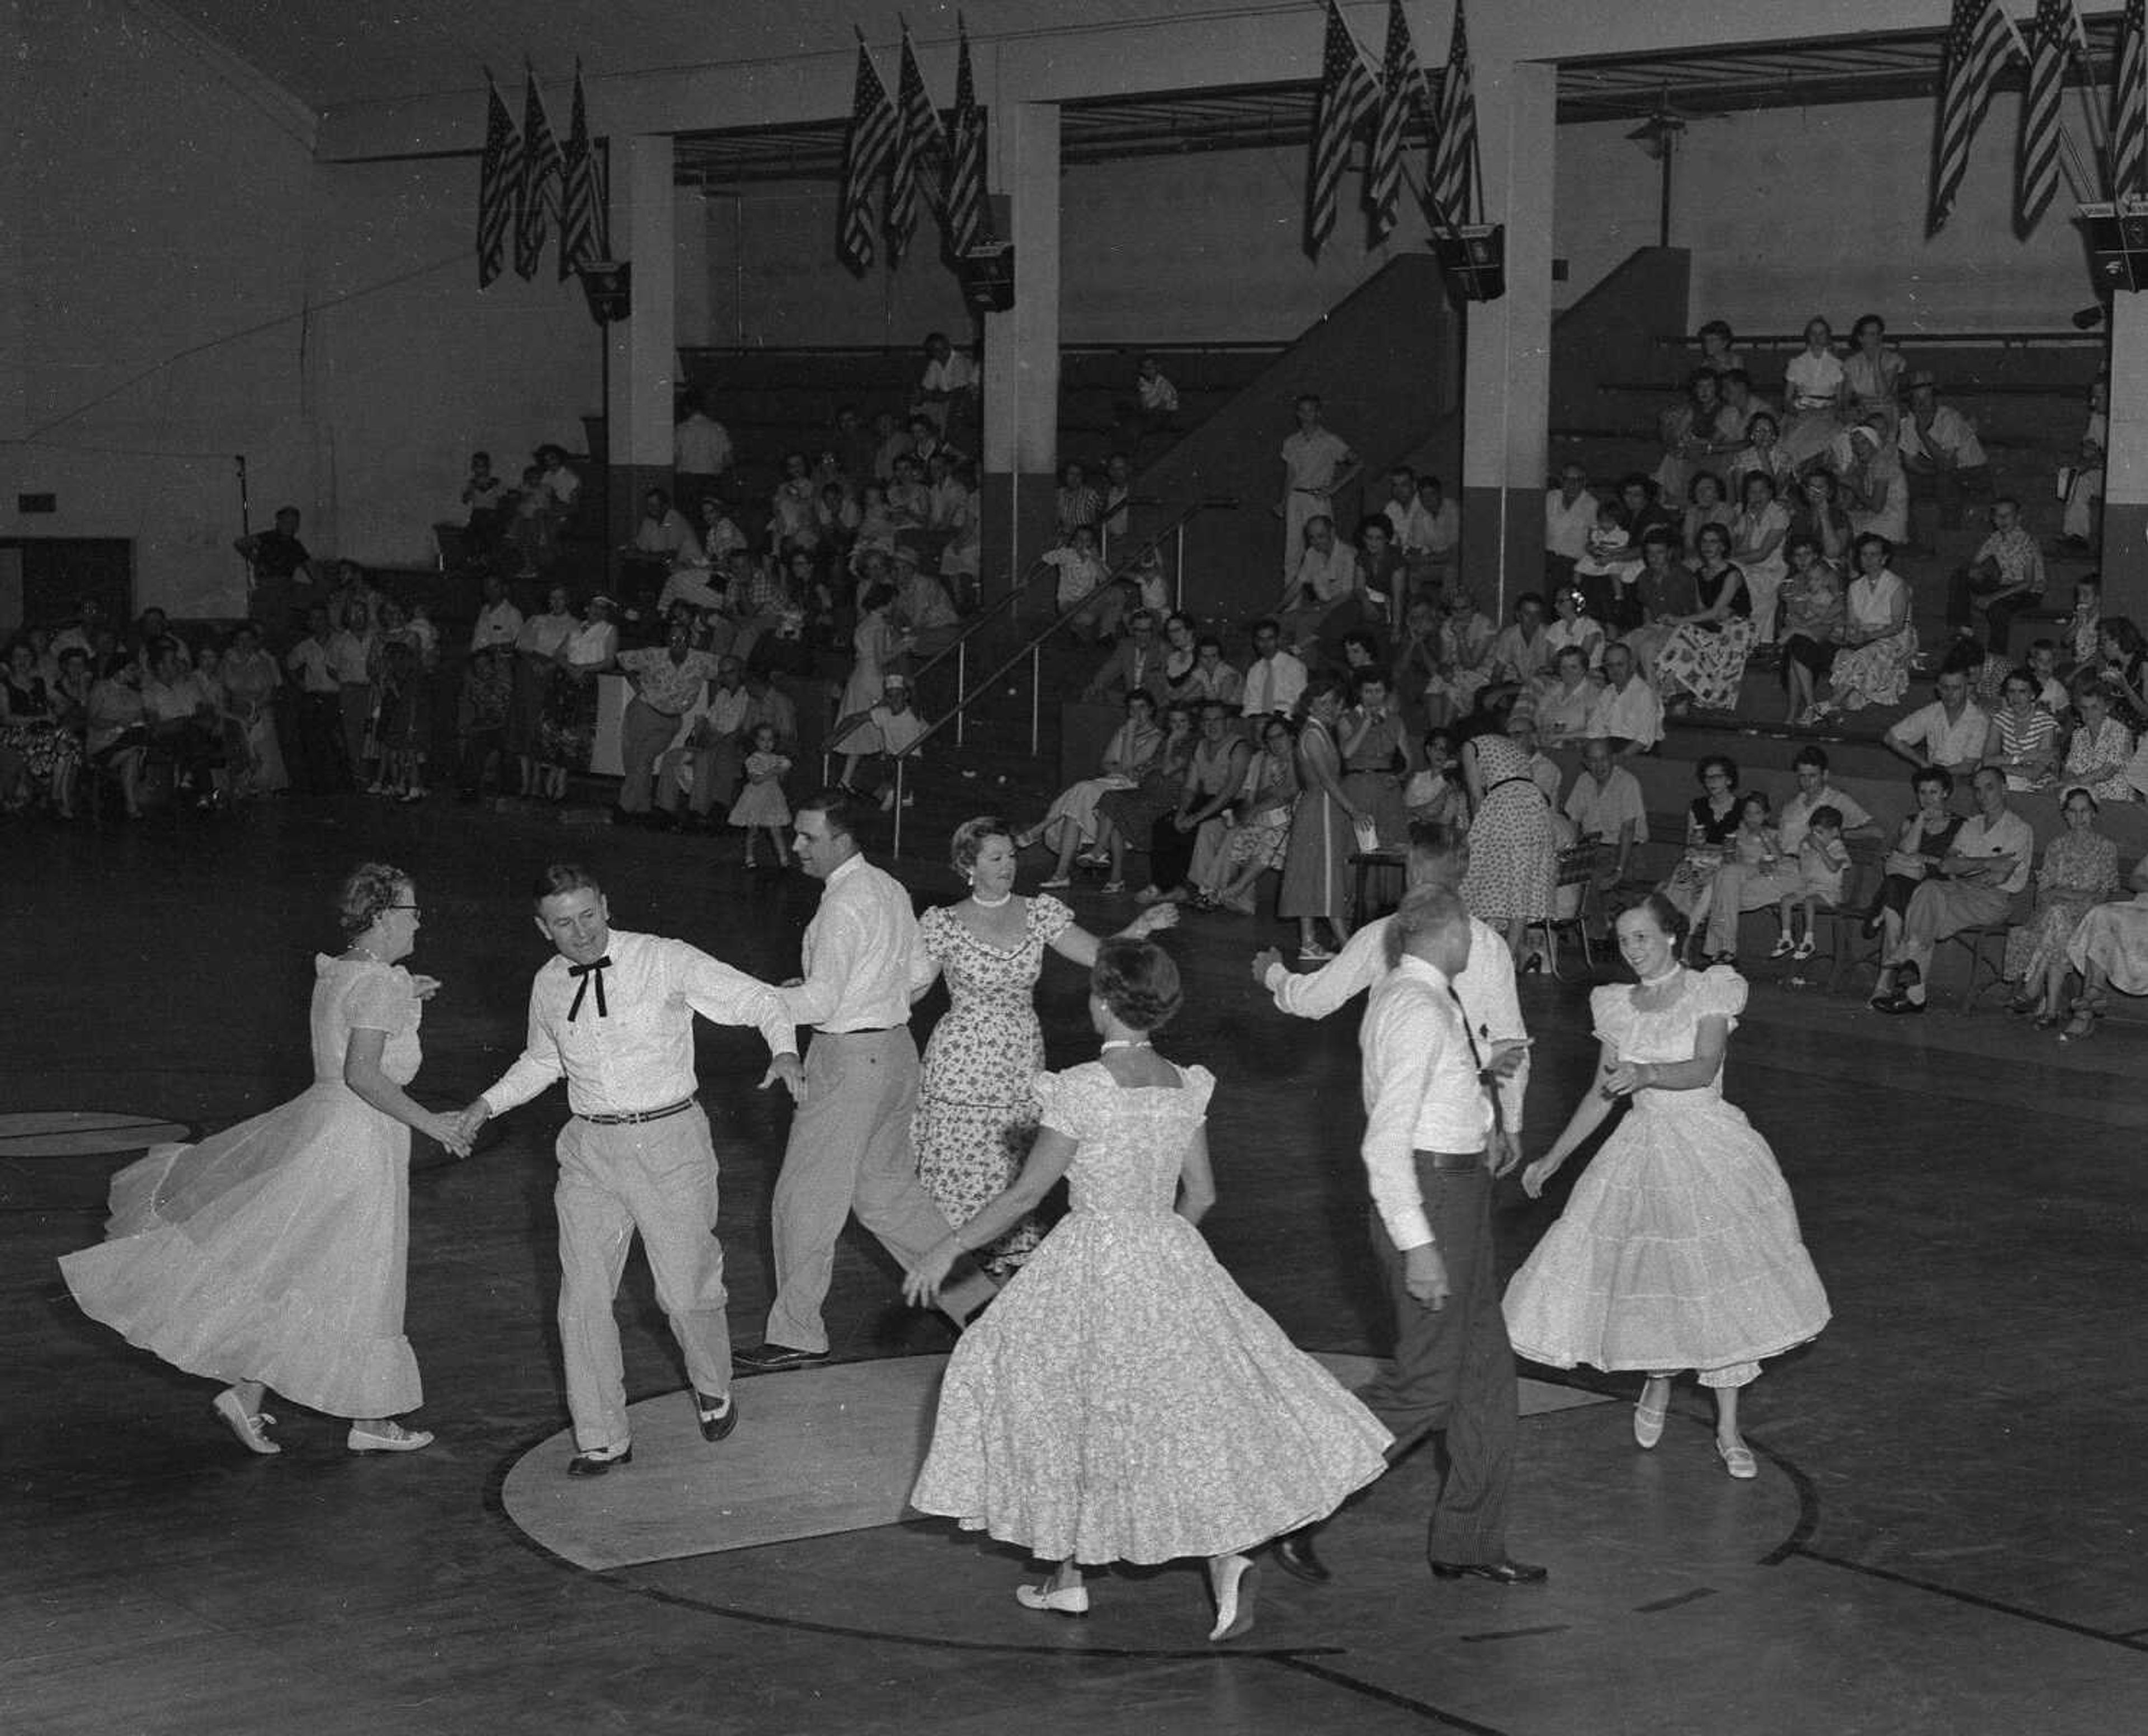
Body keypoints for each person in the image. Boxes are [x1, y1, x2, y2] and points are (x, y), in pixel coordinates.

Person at [906, 939, 1389, 1640]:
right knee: (1174, 1410)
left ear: (1101, 1001)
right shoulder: (1182, 1085)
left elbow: (1025, 1196)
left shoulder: (1080, 1088)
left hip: (1093, 1252)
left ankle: (1072, 1572)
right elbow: (1204, 1192)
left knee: (1042, 1388)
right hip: (1166, 1249)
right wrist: (1164, 1252)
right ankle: (1184, 1561)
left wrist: (943, 1250)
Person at [62, 864, 466, 1456]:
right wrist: (433, 1122)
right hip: (360, 1140)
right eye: (411, 910)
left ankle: (255, 1396)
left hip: (328, 1128)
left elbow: (352, 1031)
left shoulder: (345, 970)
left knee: (304, 1266)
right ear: (382, 918)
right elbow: (363, 1073)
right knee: (361, 1272)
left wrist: (406, 991)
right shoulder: (380, 983)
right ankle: (370, 1419)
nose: (419, 920)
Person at [455, 864, 800, 1474]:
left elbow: (760, 999)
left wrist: (785, 1050)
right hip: (589, 1148)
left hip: (669, 1141)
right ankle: (601, 1433)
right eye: (564, 923)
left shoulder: (662, 958)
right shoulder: (548, 984)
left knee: (683, 1291)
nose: (581, 932)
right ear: (543, 928)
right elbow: (542, 1059)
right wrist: (487, 1102)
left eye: (589, 915)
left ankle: (713, 1383)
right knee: (581, 1299)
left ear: (606, 905)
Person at [1270, 886, 1543, 1588]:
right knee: (1427, 1385)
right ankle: (1287, 1498)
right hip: (1430, 1201)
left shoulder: (1421, 999)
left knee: (1485, 1375)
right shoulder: (1418, 1009)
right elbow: (1385, 1143)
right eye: (1467, 932)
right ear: (1445, 935)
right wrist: (1419, 1243)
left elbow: (1426, 1097)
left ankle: (1470, 1540)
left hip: (1458, 1189)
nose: (1475, 943)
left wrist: (1483, 1100)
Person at [1508, 897, 1831, 1480]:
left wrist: (1650, 1073)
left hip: (1708, 1147)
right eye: (1625, 939)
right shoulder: (1616, 1006)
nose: (1634, 950)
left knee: (1718, 1284)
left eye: (1643, 937)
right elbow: (1602, 1093)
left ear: (1672, 936)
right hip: (1643, 1149)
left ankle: (1728, 1426)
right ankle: (1658, 1378)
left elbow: (1704, 1066)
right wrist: (1553, 1158)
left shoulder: (1712, 990)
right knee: (1657, 1276)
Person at [734, 793, 1001, 1371]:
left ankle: (797, 1333)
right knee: (887, 1197)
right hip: (895, 1053)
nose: (799, 846)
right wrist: (854, 998)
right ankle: (984, 1310)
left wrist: (754, 1000)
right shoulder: (886, 887)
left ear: (842, 840)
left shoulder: (841, 906)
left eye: (809, 837)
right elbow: (914, 978)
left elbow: (823, 999)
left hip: (849, 1061)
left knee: (803, 1199)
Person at [912, 819, 1175, 1275]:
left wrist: (1143, 925)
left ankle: (1000, 1265)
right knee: (959, 1166)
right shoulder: (943, 923)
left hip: (1019, 1059)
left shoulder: (1039, 913)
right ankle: (950, 1265)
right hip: (959, 1064)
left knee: (1012, 1166)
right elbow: (910, 992)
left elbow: (1101, 956)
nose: (1008, 866)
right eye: (995, 858)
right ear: (967, 866)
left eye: (1012, 856)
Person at [1872, 767, 2036, 1014]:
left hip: (1991, 902)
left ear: (2004, 788)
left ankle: (1909, 979)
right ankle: (1912, 984)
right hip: (1957, 890)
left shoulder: (2019, 829)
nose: (1983, 796)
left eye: (1989, 788)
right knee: (1928, 891)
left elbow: (1999, 877)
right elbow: (1948, 865)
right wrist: (1988, 862)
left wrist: (1970, 866)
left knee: (1925, 910)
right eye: (1977, 790)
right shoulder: (1971, 825)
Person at [2001, 788, 2118, 1023]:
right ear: (2065, 815)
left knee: (2058, 918)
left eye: (2085, 811)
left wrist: (2062, 893)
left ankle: (2037, 991)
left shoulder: (2106, 848)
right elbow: (2043, 894)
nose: (2079, 817)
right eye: (2073, 812)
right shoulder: (2057, 847)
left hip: (2087, 920)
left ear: (2094, 814)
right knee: (2057, 919)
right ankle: (2050, 1009)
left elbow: (2100, 897)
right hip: (2051, 917)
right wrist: (2074, 895)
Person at [1030, 689, 1161, 885]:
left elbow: (1126, 766)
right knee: (1074, 813)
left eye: (1142, 707)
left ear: (1151, 710)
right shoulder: (1122, 731)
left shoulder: (1156, 736)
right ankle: (1061, 875)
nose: (1136, 713)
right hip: (1110, 782)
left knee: (1082, 789)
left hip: (1133, 789)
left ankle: (1043, 826)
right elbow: (1107, 763)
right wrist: (1124, 760)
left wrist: (1130, 735)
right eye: (1132, 708)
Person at [1458, 700, 1556, 953]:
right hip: (1534, 806)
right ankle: (1511, 954)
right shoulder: (1512, 746)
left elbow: (1475, 794)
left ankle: (1484, 952)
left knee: (1480, 874)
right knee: (1521, 882)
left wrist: (1476, 830)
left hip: (1506, 805)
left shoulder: (1473, 745)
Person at [1277, 672, 1359, 960]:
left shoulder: (1321, 731)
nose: (1327, 708)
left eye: (1331, 703)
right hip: (1321, 807)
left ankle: (1309, 942)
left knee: (1313, 871)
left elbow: (1343, 758)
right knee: (1325, 873)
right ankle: (1343, 941)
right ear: (1309, 706)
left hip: (1322, 807)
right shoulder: (1312, 734)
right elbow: (1327, 781)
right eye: (1321, 703)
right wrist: (1354, 810)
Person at [1197, 715, 1301, 914]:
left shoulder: (1299, 758)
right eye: (1270, 739)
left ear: (1292, 737)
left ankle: (1235, 889)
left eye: (1280, 736)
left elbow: (1289, 792)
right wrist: (1267, 789)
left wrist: (1261, 805)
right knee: (1237, 832)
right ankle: (1215, 890)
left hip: (1295, 818)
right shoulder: (1270, 760)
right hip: (1271, 816)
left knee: (1272, 837)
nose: (1275, 743)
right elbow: (1262, 794)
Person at [1652, 523, 1752, 715]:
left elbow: (1717, 611)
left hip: (1737, 628)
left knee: (1684, 631)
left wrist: (1679, 620)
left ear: (1723, 546)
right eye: (1704, 541)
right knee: (1684, 633)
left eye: (1714, 541)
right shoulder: (1700, 573)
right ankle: (1680, 694)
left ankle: (1691, 696)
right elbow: (1702, 609)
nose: (1708, 546)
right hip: (1714, 623)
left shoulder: (1733, 574)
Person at [2056, 855, 2148, 1038]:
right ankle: (2093, 994)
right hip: (2142, 911)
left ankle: (2088, 1005)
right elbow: (2135, 880)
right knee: (2101, 914)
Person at [1824, 534, 1917, 715]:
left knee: (1865, 656)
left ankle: (1828, 706)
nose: (1869, 560)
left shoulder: (1897, 585)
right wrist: (1852, 635)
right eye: (1865, 555)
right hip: (1864, 636)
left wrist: (1868, 637)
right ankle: (1837, 711)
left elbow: (1898, 625)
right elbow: (1852, 622)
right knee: (1843, 657)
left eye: (1874, 555)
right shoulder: (1855, 587)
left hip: (1894, 638)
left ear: (1884, 558)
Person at [1276, 395, 1360, 579]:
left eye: (1311, 410)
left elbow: (1357, 463)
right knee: (1292, 551)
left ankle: (1331, 597)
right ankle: (1291, 605)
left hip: (1317, 498)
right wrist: (1284, 502)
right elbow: (1291, 474)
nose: (1307, 415)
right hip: (1296, 498)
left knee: (1324, 547)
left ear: (1318, 413)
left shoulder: (1330, 440)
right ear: (1297, 414)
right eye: (1302, 411)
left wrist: (1334, 488)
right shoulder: (1291, 442)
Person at [1949, 496, 2045, 656]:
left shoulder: (2027, 541)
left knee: (1997, 610)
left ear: (2018, 518)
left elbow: (2028, 583)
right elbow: (1975, 562)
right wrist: (1974, 569)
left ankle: (1997, 657)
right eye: (1998, 516)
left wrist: (1991, 598)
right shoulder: (1995, 539)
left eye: (2007, 515)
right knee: (1961, 575)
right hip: (2005, 586)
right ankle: (1965, 629)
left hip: (2029, 592)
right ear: (1993, 519)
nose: (2002, 520)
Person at [1565, 735, 1648, 894]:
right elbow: (1573, 821)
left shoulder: (1628, 782)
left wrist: (1619, 870)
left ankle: (1594, 918)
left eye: (1604, 759)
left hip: (1625, 852)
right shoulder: (1584, 781)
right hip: (1592, 851)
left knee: (1594, 882)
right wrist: (1574, 857)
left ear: (1612, 759)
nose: (1599, 766)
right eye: (1593, 760)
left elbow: (1629, 829)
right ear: (1586, 763)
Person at [1779, 806, 1852, 961]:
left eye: (1820, 832)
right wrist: (1805, 847)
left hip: (1829, 893)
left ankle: (1809, 940)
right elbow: (1804, 865)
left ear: (1835, 832)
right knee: (1786, 900)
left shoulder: (1837, 847)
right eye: (1813, 832)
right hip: (1809, 888)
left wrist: (1820, 848)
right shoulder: (1810, 846)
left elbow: (1833, 867)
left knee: (1809, 902)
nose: (1815, 837)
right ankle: (1786, 939)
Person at [728, 721, 793, 869]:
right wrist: (774, 771)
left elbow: (780, 779)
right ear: (756, 741)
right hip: (755, 797)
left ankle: (784, 860)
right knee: (753, 830)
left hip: (772, 797)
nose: (767, 743)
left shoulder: (777, 758)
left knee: (776, 829)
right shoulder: (753, 760)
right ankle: (749, 856)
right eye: (762, 740)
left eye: (770, 740)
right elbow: (756, 780)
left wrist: (783, 771)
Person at [1585, 640, 1664, 753]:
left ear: (1632, 664)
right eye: (1610, 665)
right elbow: (1594, 731)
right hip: (1606, 752)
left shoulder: (1645, 693)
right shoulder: (1607, 692)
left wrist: (1618, 760)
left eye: (1620, 664)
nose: (1615, 670)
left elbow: (1644, 740)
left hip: (1637, 756)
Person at [1240, 616, 1308, 719]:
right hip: (1260, 717)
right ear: (1255, 642)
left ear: (1278, 640)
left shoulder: (1294, 666)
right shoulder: (1254, 670)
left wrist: (1282, 719)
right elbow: (1249, 703)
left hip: (1286, 717)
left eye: (1270, 639)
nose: (1265, 644)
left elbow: (1301, 702)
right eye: (1261, 640)